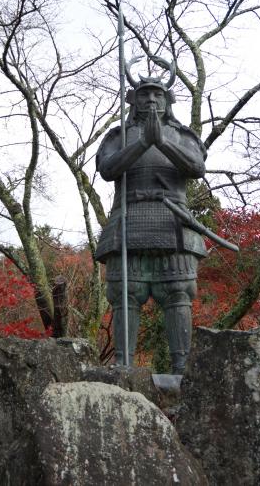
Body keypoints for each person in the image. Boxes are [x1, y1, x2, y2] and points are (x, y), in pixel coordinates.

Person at [95, 57, 207, 374]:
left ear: (167, 99)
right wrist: (144, 141)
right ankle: (123, 366)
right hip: (128, 221)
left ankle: (182, 369)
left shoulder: (183, 135)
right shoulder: (119, 135)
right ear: (134, 99)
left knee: (178, 293)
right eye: (145, 94)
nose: (151, 99)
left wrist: (161, 142)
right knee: (125, 294)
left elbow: (196, 168)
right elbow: (107, 169)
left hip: (173, 222)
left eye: (157, 94)